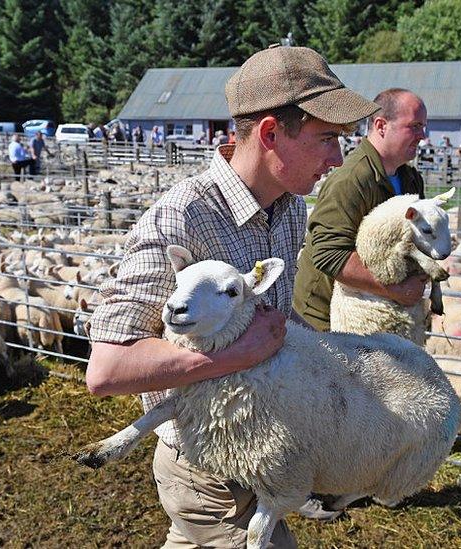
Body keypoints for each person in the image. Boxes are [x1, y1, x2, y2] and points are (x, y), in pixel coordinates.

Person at [85, 45, 378, 548]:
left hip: (260, 442)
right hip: (205, 464)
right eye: (328, 138)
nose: (337, 158)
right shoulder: (182, 218)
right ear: (270, 134)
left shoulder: (288, 209)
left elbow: (274, 322)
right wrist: (241, 355)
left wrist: (348, 361)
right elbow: (108, 370)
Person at [293, 88, 428, 332]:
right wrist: (396, 289)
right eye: (415, 126)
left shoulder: (410, 180)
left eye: (423, 127)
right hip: (326, 321)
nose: (422, 136)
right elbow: (330, 254)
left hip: (372, 316)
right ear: (381, 126)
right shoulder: (351, 181)